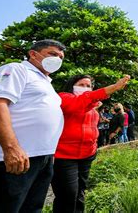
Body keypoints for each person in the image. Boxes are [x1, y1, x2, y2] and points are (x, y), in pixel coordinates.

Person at [0, 39, 66, 212]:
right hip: (11, 157)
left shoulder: (45, 81)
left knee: (31, 208)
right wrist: (11, 148)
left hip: (40, 157)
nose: (57, 59)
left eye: (61, 57)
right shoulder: (17, 69)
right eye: (53, 54)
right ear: (33, 54)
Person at [52, 74, 129, 213]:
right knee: (68, 194)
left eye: (89, 86)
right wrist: (112, 88)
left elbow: (93, 126)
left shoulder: (92, 108)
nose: (86, 88)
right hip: (64, 156)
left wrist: (93, 147)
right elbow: (80, 103)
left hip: (86, 155)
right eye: (82, 85)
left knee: (80, 192)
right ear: (72, 85)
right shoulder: (63, 97)